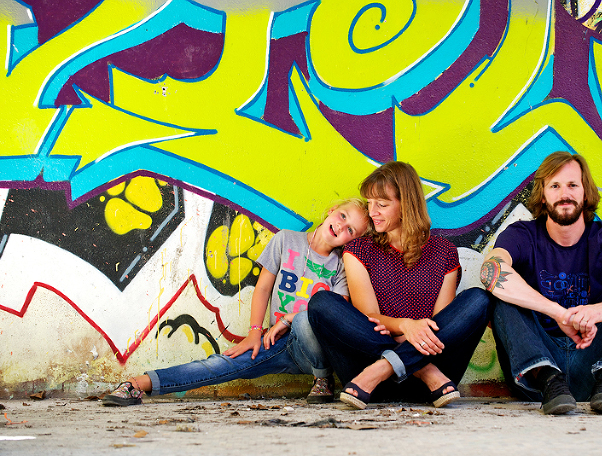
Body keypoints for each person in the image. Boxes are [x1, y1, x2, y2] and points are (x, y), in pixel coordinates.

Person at [102, 199, 372, 406]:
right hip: (276, 344)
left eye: (351, 230)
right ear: (332, 210)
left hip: (315, 351)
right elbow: (263, 288)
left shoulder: (341, 265)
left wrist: (289, 319)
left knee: (305, 318)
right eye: (343, 216)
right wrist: (255, 333)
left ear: (353, 240)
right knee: (224, 364)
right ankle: (138, 384)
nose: (341, 226)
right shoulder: (286, 240)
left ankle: (322, 378)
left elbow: (333, 312)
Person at [481, 151, 602, 415]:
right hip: (538, 375)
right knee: (499, 297)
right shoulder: (521, 235)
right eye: (555, 186)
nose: (565, 194)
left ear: (586, 193)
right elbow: (490, 272)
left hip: (594, 366)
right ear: (542, 194)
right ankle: (551, 379)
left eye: (573, 185)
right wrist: (557, 312)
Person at [307, 161, 492, 410]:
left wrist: (407, 338)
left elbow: (439, 328)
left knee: (479, 299)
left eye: (382, 205)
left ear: (407, 205)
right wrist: (407, 326)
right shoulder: (359, 250)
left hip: (380, 382)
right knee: (322, 303)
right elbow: (368, 318)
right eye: (370, 203)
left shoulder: (444, 252)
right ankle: (423, 371)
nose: (373, 212)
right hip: (379, 374)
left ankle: (387, 367)